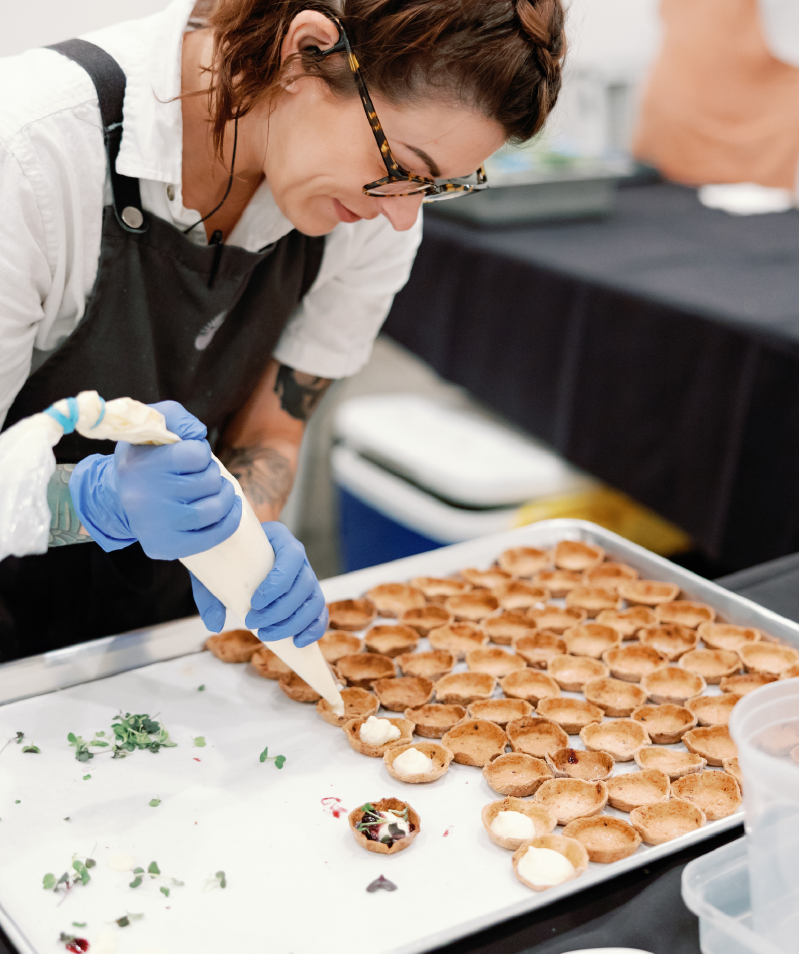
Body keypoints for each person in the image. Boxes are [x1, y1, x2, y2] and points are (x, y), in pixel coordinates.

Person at [0, 0, 566, 661]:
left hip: (154, 641)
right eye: (401, 166)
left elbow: (270, 432)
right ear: (305, 52)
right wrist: (91, 501)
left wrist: (245, 541)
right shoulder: (29, 157)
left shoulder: (365, 213)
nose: (404, 216)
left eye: (437, 186)